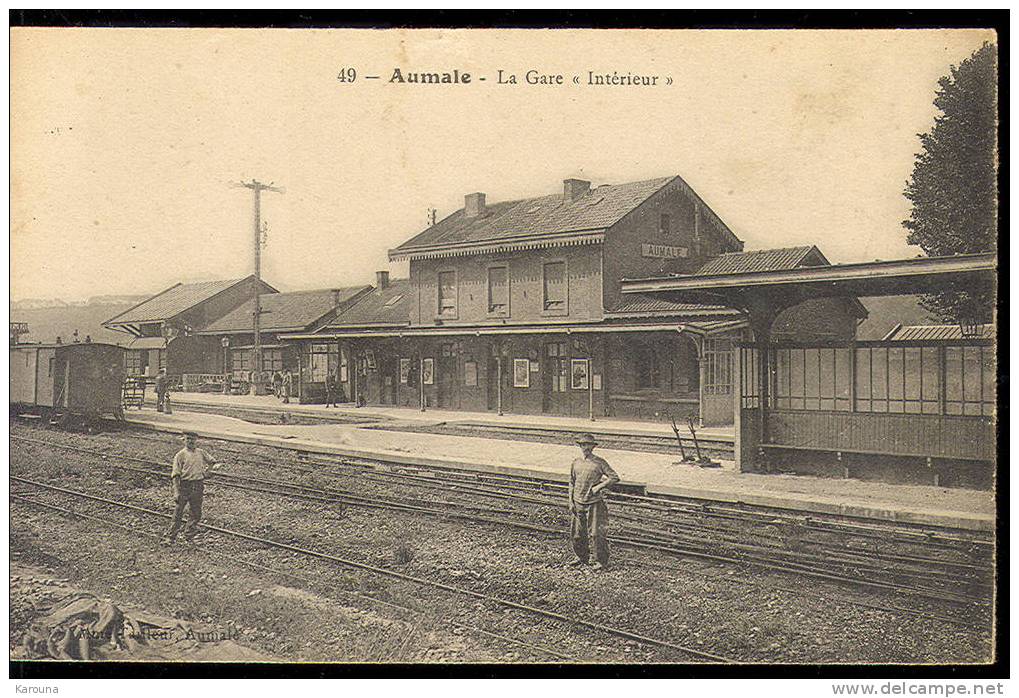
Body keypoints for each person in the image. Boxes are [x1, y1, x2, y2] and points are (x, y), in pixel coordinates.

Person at [568, 434, 620, 571]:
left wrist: (599, 486)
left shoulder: (599, 462)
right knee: (578, 533)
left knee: (596, 534)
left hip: (594, 503)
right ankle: (581, 557)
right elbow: (571, 482)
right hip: (578, 502)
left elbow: (614, 477)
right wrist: (571, 501)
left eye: (589, 445)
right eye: (583, 445)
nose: (586, 448)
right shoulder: (576, 462)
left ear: (593, 447)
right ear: (580, 446)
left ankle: (600, 561)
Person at [161, 432, 219, 545]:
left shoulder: (201, 453)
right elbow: (175, 475)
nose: (190, 441)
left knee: (196, 512)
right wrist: (176, 491)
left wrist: (207, 472)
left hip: (198, 485)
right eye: (188, 439)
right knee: (178, 512)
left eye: (193, 439)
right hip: (184, 486)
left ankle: (189, 536)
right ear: (184, 440)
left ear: (196, 440)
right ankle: (171, 537)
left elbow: (212, 461)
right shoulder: (180, 455)